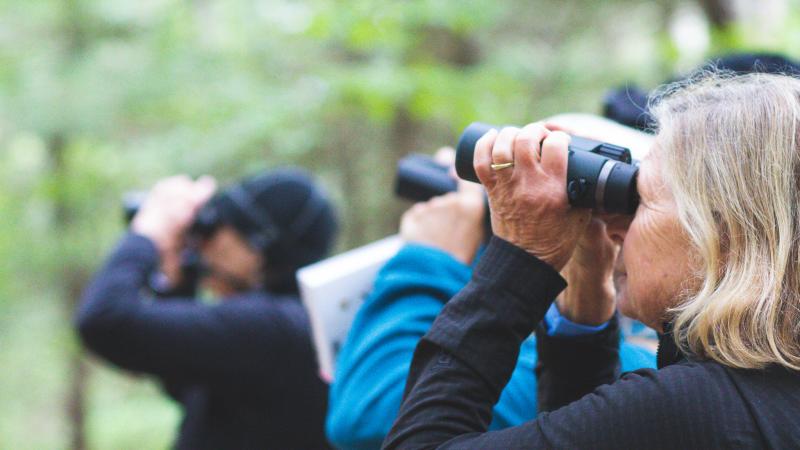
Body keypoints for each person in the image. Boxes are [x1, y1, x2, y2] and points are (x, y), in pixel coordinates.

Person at [384, 72, 800, 449]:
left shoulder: (697, 408)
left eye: (642, 199)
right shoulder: (762, 397)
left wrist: (520, 258)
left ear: (724, 235)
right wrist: (584, 310)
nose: (617, 227)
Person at [327, 147, 656, 450]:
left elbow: (367, 414)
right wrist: (580, 315)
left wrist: (429, 260)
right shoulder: (619, 355)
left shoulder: (640, 381)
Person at [76, 168, 337, 450]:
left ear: (258, 245)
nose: (202, 244)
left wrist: (148, 232)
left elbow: (104, 320)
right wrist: (177, 282)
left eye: (214, 228)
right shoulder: (296, 326)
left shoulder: (270, 326)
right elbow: (189, 383)